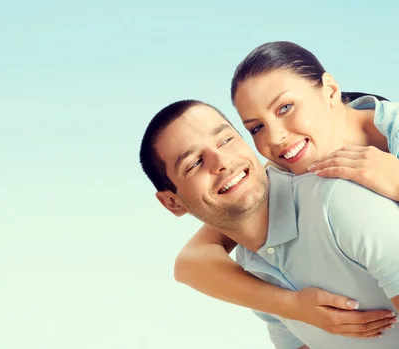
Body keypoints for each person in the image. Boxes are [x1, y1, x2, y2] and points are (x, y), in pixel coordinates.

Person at [173, 41, 399, 338]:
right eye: (256, 128)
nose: (276, 137)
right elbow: (191, 262)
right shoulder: (282, 171)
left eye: (285, 108)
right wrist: (293, 306)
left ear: (330, 90)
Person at [139, 98, 399, 348]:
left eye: (226, 140)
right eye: (195, 163)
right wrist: (291, 305)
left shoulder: (340, 203)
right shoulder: (252, 272)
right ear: (173, 203)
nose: (222, 163)